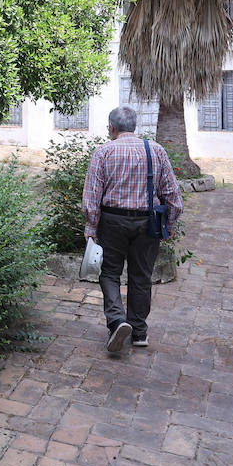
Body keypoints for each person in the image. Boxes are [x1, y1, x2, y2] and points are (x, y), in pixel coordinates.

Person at [82, 106, 183, 353]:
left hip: (112, 222)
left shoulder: (103, 152)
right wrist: (168, 225)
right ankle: (138, 332)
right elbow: (173, 196)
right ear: (135, 127)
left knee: (109, 273)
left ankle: (117, 321)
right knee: (141, 277)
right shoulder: (155, 151)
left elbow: (91, 197)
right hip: (147, 223)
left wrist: (91, 225)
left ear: (111, 128)